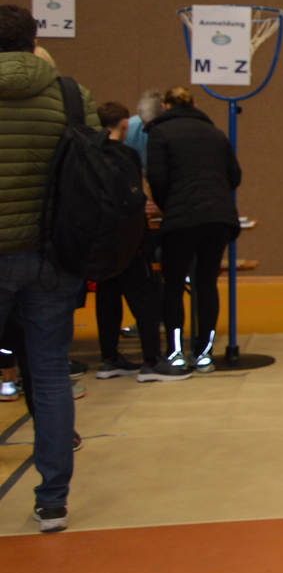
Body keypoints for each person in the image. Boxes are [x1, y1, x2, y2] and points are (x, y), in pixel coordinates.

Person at [0, 3, 98, 531]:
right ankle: (52, 501)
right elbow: (94, 167)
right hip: (53, 256)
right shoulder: (70, 95)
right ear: (33, 41)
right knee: (51, 375)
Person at [146, 85, 242, 373]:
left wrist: (169, 205)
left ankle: (176, 353)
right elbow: (234, 175)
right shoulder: (215, 133)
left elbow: (157, 178)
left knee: (174, 285)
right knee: (206, 284)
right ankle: (204, 354)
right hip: (218, 217)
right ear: (194, 105)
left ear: (165, 106)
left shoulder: (159, 133)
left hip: (181, 220)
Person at [92, 102, 186, 382]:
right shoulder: (126, 155)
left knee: (107, 299)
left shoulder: (90, 154)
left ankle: (109, 359)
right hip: (129, 239)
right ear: (124, 124)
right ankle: (152, 361)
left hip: (101, 238)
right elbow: (134, 195)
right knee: (145, 300)